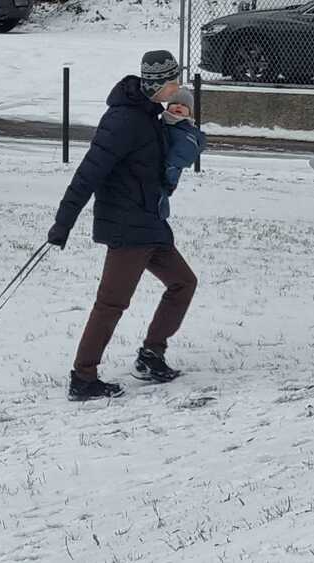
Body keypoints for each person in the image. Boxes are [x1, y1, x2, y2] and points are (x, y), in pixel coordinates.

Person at [47, 50, 199, 402]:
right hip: (128, 227)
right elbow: (89, 172)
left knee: (183, 282)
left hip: (150, 223)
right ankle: (83, 377)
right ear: (158, 85)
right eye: (173, 82)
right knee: (112, 303)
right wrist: (63, 223)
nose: (177, 89)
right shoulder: (124, 120)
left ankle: (151, 355)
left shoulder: (150, 116)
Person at [160, 87, 207, 219]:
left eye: (184, 105)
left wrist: (169, 167)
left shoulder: (189, 132)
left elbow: (184, 152)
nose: (179, 106)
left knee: (160, 196)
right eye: (175, 103)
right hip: (153, 169)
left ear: (189, 113)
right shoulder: (160, 123)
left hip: (168, 172)